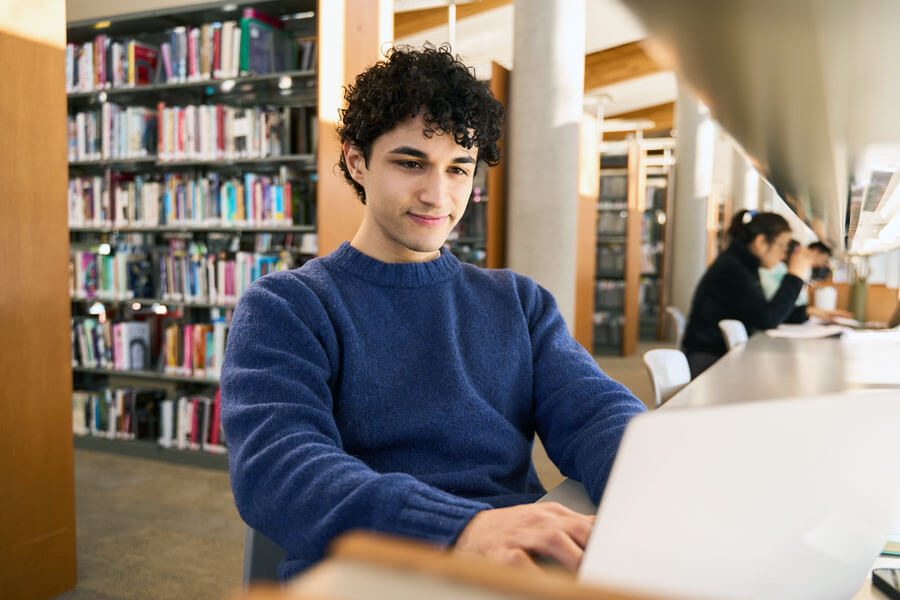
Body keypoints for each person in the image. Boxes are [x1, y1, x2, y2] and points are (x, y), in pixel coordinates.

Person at [220, 45, 646, 581]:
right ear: (357, 160)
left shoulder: (518, 301)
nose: (437, 195)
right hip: (371, 572)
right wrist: (461, 529)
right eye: (410, 163)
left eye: (458, 169)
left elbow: (596, 412)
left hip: (512, 562)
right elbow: (279, 471)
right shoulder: (286, 306)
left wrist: (653, 482)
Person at [681, 210, 816, 378]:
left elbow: (765, 312)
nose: (783, 255)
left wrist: (806, 312)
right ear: (761, 242)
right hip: (708, 361)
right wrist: (795, 275)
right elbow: (766, 320)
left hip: (718, 355)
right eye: (782, 245)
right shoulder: (733, 269)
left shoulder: (741, 264)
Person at [758, 239, 849, 322]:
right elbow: (774, 313)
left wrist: (813, 311)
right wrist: (795, 274)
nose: (824, 264)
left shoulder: (802, 271)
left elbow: (786, 311)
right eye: (825, 259)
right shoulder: (777, 269)